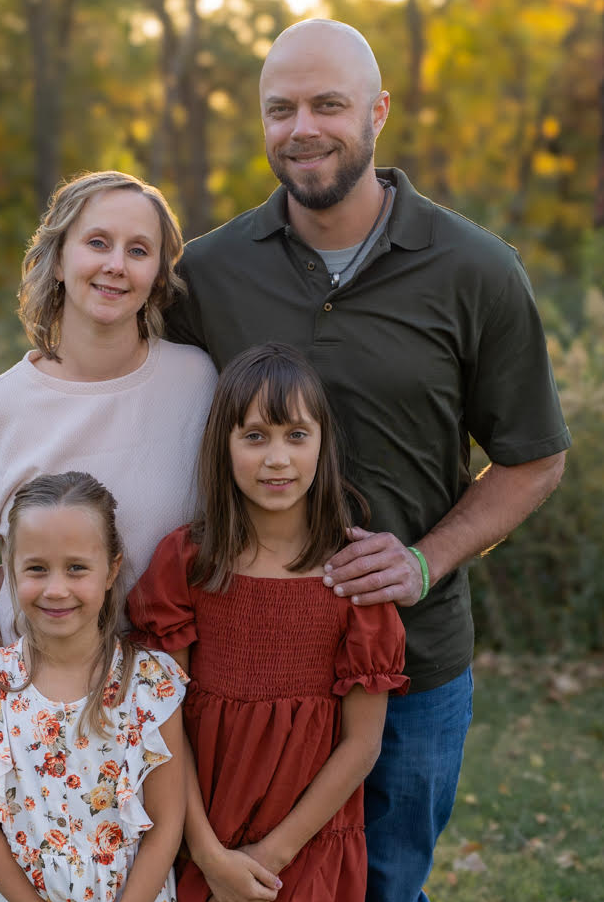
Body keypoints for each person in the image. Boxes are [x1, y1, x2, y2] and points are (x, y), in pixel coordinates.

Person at [164, 19, 571, 902]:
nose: (302, 128)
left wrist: (425, 559)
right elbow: (131, 396)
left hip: (411, 663)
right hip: (243, 670)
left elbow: (532, 459)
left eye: (327, 105)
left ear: (377, 112)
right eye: (280, 109)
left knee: (384, 885)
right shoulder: (208, 272)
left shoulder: (476, 269)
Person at [0, 170, 217, 727]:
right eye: (98, 243)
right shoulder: (0, 408)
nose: (116, 265)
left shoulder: (199, 382)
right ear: (58, 260)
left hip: (173, 699)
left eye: (138, 250)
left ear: (158, 277)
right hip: (40, 703)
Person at [128, 344, 409, 902]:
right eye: (255, 436)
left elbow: (362, 744)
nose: (277, 458)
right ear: (224, 446)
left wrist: (270, 857)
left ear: (323, 443)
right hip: (198, 831)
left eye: (296, 435)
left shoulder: (354, 578)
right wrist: (208, 855)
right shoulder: (186, 564)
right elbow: (162, 720)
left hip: (308, 844)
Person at [0, 471, 188, 902]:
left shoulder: (149, 685)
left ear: (111, 570)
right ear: (11, 570)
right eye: (37, 569)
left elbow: (166, 823)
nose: (56, 589)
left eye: (77, 568)